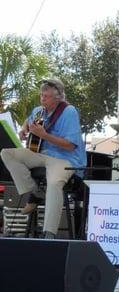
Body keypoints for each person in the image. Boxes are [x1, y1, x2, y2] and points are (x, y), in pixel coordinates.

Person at [1, 78, 86, 238]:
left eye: (46, 96)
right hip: (41, 155)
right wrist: (24, 129)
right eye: (41, 95)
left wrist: (44, 135)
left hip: (64, 159)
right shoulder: (39, 111)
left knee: (54, 183)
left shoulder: (69, 112)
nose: (42, 99)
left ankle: (49, 234)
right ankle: (35, 192)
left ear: (58, 97)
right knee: (7, 153)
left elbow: (70, 145)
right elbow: (29, 120)